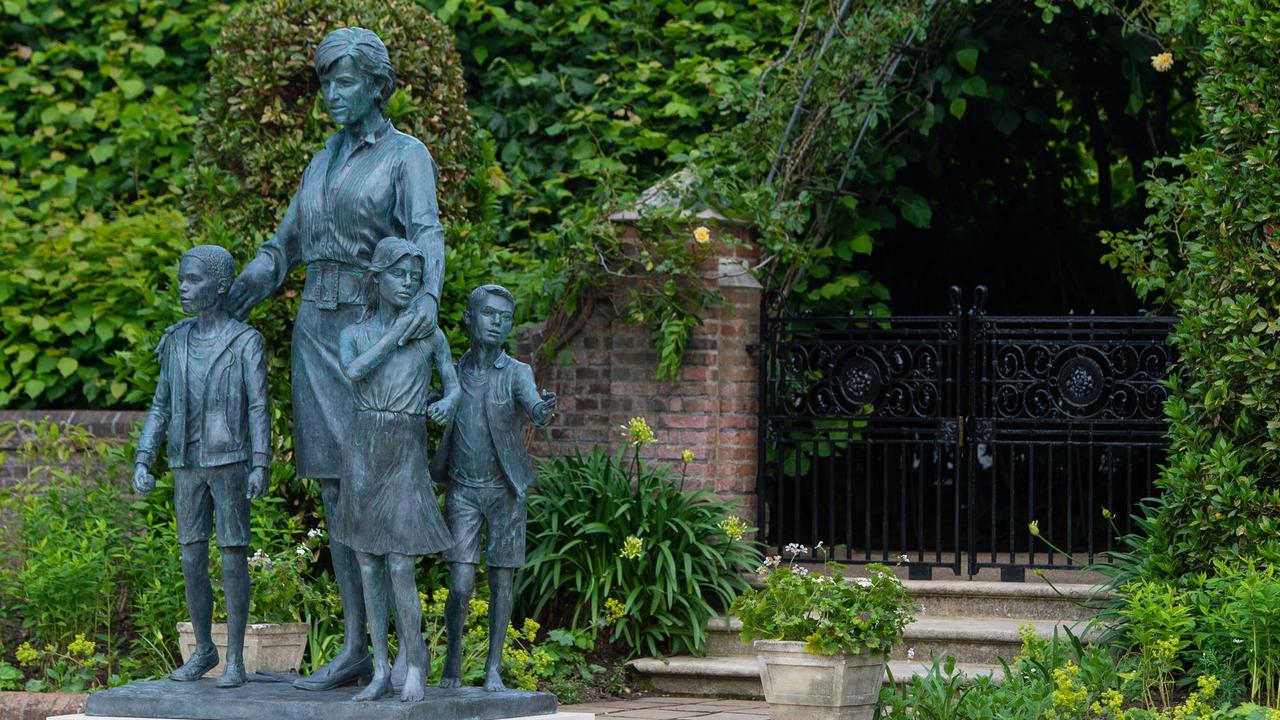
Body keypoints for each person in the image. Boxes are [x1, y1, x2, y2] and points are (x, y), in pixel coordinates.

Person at [223, 27, 446, 691]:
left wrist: (428, 295)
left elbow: (426, 230)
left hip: (370, 331)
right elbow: (283, 243)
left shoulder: (407, 156)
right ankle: (356, 647)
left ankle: (405, 656)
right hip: (315, 328)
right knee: (332, 484)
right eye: (324, 82)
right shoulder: (320, 161)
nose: (331, 94)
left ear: (377, 85)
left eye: (343, 81)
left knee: (375, 484)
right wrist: (240, 291)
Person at [132, 245, 270, 689]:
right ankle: (204, 651)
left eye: (193, 280)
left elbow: (258, 406)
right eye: (181, 281)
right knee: (192, 557)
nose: (184, 289)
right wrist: (143, 457)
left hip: (229, 459)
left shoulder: (245, 342)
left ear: (222, 285)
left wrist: (261, 463)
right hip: (186, 461)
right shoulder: (176, 340)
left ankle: (234, 659)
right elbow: (159, 406)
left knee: (232, 557)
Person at [331, 237, 458, 702]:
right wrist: (395, 332)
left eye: (414, 277)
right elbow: (355, 371)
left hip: (404, 445)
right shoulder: (354, 333)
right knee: (367, 561)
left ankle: (414, 663)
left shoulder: (431, 334)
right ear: (377, 279)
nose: (407, 284)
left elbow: (453, 385)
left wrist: (447, 402)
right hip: (364, 445)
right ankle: (381, 669)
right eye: (398, 275)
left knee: (401, 562)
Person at [431, 284, 556, 692]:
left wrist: (542, 410)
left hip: (505, 491)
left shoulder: (518, 372)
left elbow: (534, 405)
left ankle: (493, 667)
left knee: (503, 581)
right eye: (489, 314)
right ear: (469, 319)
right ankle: (452, 662)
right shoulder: (454, 372)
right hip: (463, 490)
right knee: (461, 582)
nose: (497, 322)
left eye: (505, 317)